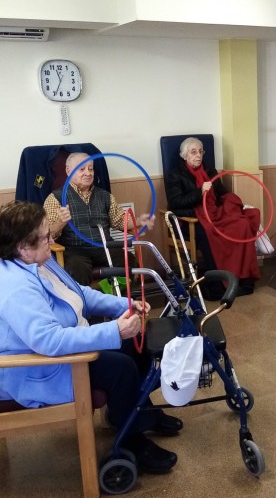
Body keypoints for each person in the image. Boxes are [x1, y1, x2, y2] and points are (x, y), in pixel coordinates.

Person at [0, 200, 182, 474]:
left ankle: (137, 414)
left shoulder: (39, 263)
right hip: (41, 368)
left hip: (67, 350)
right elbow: (49, 341)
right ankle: (131, 440)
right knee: (121, 368)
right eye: (46, 236)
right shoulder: (16, 287)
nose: (52, 240)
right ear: (23, 247)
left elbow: (80, 293)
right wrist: (113, 330)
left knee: (138, 345)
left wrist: (124, 304)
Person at [165, 137, 260, 297]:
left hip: (214, 214)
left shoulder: (210, 171)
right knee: (209, 232)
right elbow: (175, 203)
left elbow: (222, 194)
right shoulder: (174, 175)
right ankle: (217, 287)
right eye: (193, 152)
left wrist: (235, 205)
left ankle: (244, 280)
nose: (198, 155)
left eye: (200, 151)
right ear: (184, 155)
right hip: (192, 220)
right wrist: (200, 192)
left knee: (242, 224)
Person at [43, 152, 154, 286]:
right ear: (68, 171)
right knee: (77, 269)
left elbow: (120, 221)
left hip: (104, 247)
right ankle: (86, 299)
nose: (88, 173)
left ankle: (120, 297)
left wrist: (139, 221)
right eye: (82, 169)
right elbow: (47, 234)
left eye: (91, 169)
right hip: (74, 251)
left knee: (127, 260)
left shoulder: (105, 196)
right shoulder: (55, 198)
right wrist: (61, 222)